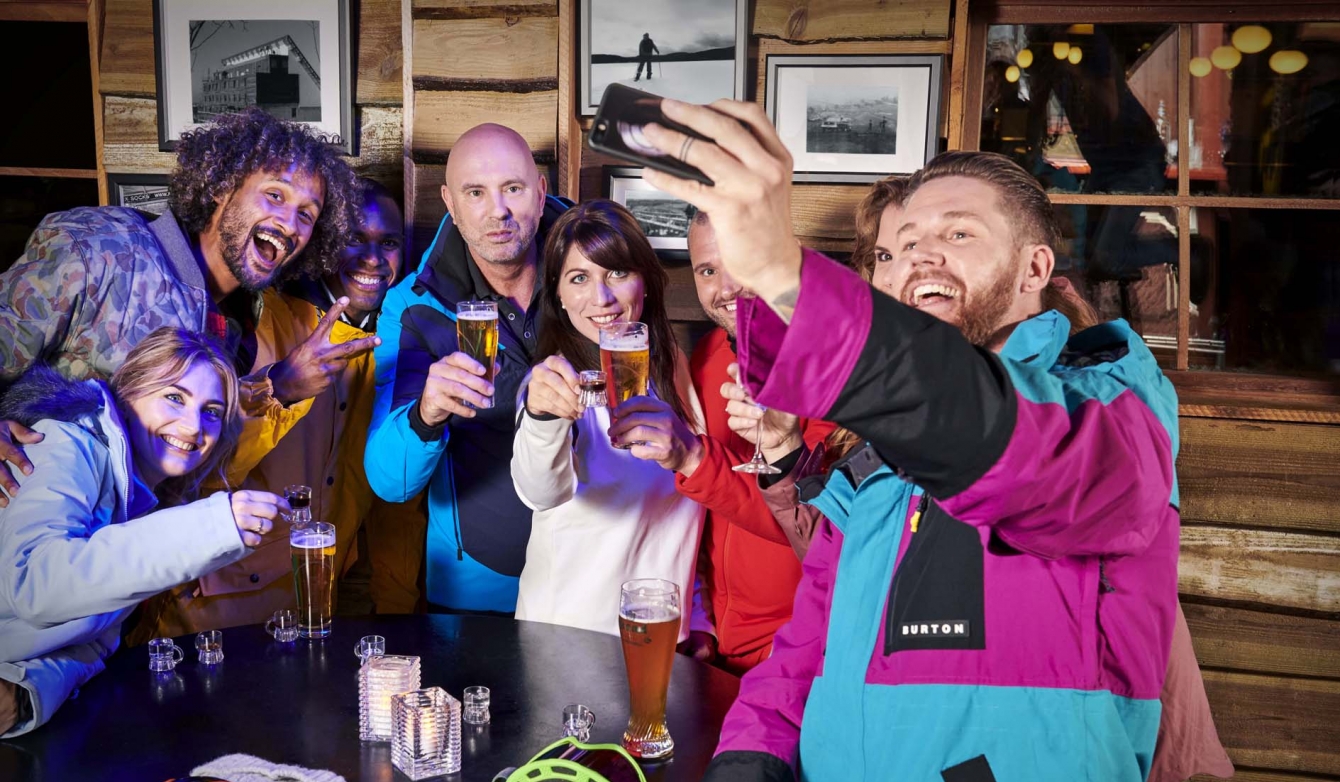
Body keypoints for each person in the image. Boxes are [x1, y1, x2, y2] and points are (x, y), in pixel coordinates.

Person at [637, 100, 1183, 781]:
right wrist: (749, 759)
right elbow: (808, 649)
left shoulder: (1109, 398)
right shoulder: (870, 455)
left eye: (958, 234)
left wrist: (785, 278)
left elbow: (1016, 455)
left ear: (1033, 269)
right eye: (899, 246)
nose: (921, 254)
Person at [0, 107, 360, 510]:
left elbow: (191, 454)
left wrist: (280, 384)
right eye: (275, 195)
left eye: (306, 215)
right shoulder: (101, 247)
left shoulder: (237, 326)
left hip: (112, 556)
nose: (291, 224)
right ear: (222, 186)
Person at [126, 180, 422, 642]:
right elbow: (195, 467)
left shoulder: (398, 343)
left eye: (387, 243)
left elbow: (395, 500)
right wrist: (280, 388)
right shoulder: (260, 318)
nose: (371, 258)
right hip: (206, 614)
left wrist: (396, 610)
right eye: (353, 239)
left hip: (317, 614)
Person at [0, 328, 288, 736]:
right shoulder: (66, 442)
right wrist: (210, 526)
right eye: (174, 397)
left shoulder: (140, 498)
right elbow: (33, 583)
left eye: (211, 411)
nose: (192, 427)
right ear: (129, 390)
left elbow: (94, 644)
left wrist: (26, 694)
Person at [365, 124, 571, 615]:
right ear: (450, 205)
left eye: (513, 189)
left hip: (591, 576)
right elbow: (389, 481)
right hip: (478, 591)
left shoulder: (590, 272)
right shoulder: (414, 307)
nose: (497, 211)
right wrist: (427, 414)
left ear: (541, 193)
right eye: (475, 193)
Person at [622, 209, 834, 674]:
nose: (727, 287)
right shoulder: (708, 356)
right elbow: (701, 520)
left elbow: (812, 527)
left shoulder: (833, 364)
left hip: (801, 652)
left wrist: (696, 460)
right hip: (719, 651)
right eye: (707, 270)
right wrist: (704, 621)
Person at [509, 199, 709, 640]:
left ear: (646, 282)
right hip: (571, 643)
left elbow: (680, 516)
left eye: (617, 272)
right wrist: (542, 418)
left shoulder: (670, 365)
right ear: (558, 296)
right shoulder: (552, 383)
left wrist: (696, 617)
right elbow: (541, 492)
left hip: (660, 639)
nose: (601, 298)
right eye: (579, 278)